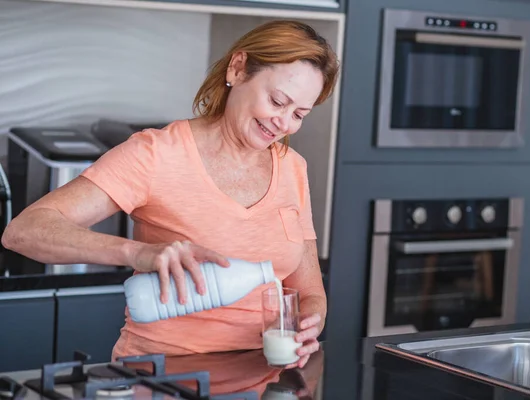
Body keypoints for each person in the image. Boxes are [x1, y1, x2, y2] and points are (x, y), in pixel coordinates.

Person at [1, 20, 339, 368]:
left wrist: (309, 322)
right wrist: (137, 253)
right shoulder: (157, 153)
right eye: (277, 101)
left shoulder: (292, 167)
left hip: (263, 378)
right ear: (238, 69)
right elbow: (24, 232)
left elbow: (309, 289)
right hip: (164, 378)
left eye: (299, 114)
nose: (284, 123)